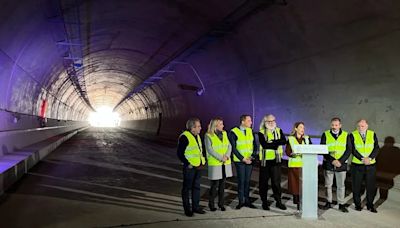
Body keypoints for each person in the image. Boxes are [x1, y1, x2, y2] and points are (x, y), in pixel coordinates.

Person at [321, 117, 351, 212]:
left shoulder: (346, 135)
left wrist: (340, 161)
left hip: (341, 164)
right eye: (333, 125)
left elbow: (348, 150)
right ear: (331, 125)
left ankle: (341, 204)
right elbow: (323, 149)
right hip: (329, 163)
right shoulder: (325, 134)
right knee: (328, 185)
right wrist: (332, 160)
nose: (334, 127)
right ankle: (328, 202)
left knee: (341, 186)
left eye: (336, 125)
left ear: (340, 125)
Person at [177, 117, 206, 217]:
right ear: (192, 128)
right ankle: (187, 209)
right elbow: (180, 153)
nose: (200, 128)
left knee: (196, 187)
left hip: (198, 167)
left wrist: (203, 161)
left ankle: (196, 207)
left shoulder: (197, 136)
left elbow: (200, 151)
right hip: (189, 168)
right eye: (198, 126)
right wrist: (187, 163)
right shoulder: (185, 137)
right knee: (187, 188)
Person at [257, 114, 287, 210]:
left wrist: (272, 142)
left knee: (276, 183)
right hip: (265, 161)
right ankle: (264, 202)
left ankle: (278, 202)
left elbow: (283, 141)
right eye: (269, 121)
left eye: (272, 120)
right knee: (263, 183)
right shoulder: (261, 132)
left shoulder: (279, 130)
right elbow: (265, 145)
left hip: (276, 161)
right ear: (265, 122)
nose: (271, 122)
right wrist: (276, 143)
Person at [350, 119, 379, 213]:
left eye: (362, 126)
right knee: (356, 186)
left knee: (371, 186)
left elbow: (376, 148)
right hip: (357, 165)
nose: (360, 128)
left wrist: (369, 158)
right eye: (358, 126)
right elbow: (352, 149)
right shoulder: (352, 135)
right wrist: (363, 158)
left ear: (367, 126)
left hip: (370, 165)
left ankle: (370, 205)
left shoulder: (372, 134)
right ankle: (357, 205)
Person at [229, 114, 258, 209]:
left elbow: (254, 145)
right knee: (241, 181)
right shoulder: (234, 132)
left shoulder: (250, 131)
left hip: (249, 160)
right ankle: (241, 201)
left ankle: (247, 201)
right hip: (240, 161)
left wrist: (252, 156)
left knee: (247, 181)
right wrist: (243, 158)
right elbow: (234, 148)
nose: (251, 122)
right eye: (249, 120)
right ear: (243, 121)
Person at [205, 117, 233, 211]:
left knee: (222, 185)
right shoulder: (208, 135)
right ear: (215, 125)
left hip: (225, 163)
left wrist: (227, 156)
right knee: (214, 186)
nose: (223, 125)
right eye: (221, 124)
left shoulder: (224, 133)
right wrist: (221, 157)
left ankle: (221, 204)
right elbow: (210, 149)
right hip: (216, 163)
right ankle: (211, 204)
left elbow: (229, 145)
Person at [285, 122, 312, 210]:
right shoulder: (290, 139)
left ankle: (303, 201)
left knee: (304, 185)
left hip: (305, 166)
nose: (302, 129)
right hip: (294, 165)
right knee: (295, 184)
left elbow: (311, 149)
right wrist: (292, 154)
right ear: (296, 129)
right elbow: (287, 151)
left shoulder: (307, 138)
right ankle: (297, 202)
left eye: (303, 127)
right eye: (300, 127)